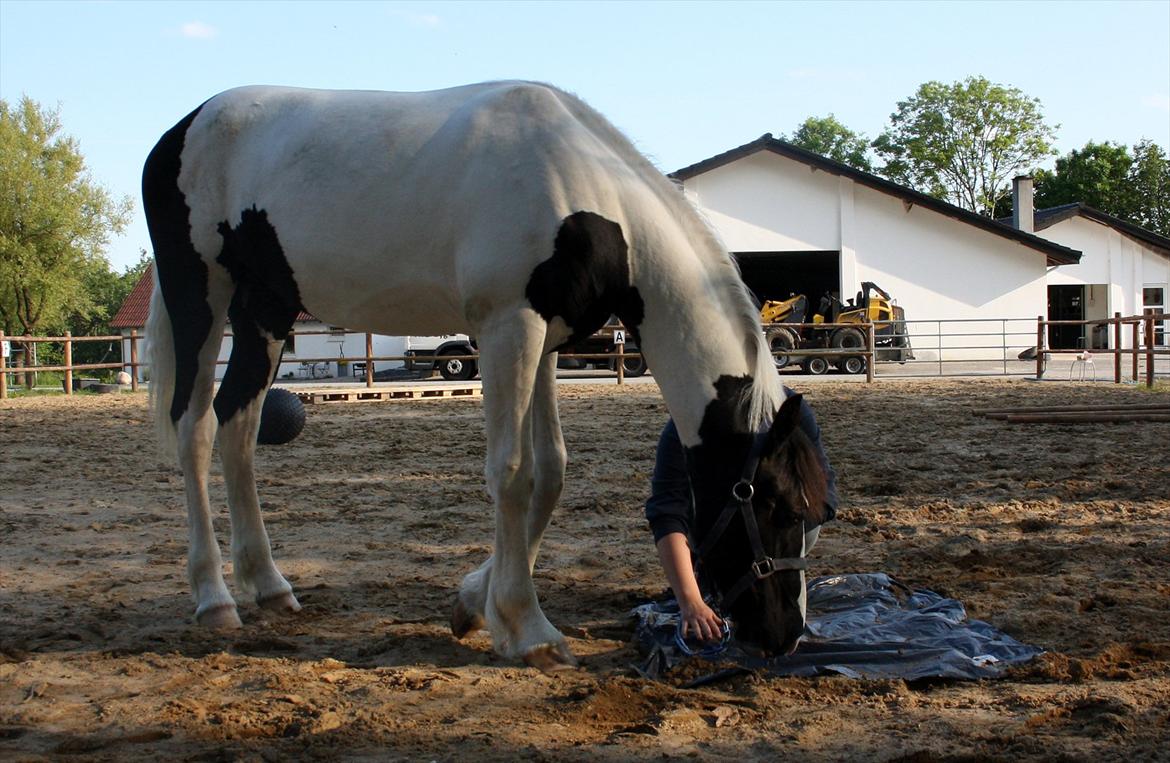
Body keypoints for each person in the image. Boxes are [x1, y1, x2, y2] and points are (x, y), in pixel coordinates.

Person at [644, 389, 839, 644]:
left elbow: (827, 496)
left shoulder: (793, 413)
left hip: (779, 526)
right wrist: (689, 600)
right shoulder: (686, 425)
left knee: (800, 525)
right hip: (715, 530)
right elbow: (667, 513)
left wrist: (779, 522)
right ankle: (707, 572)